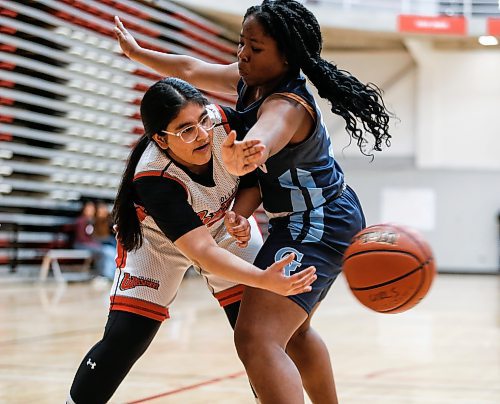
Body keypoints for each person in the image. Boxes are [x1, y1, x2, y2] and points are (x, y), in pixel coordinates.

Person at [114, 1, 393, 402]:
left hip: (316, 223)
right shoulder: (250, 79)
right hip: (310, 217)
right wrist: (139, 54)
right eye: (242, 42)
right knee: (294, 334)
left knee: (256, 338)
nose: (242, 53)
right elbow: (190, 70)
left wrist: (240, 153)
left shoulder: (286, 106)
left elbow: (264, 138)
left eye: (255, 47)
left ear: (286, 55)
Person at [67, 77, 316, 404]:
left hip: (221, 225)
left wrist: (238, 215)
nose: (201, 133)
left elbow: (255, 182)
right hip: (157, 241)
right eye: (186, 130)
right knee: (127, 337)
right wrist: (263, 280)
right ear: (160, 139)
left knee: (261, 337)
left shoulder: (224, 125)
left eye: (202, 119)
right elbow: (202, 252)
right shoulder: (154, 177)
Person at [73, 200, 116, 280]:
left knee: (110, 251)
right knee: (107, 251)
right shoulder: (81, 220)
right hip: (81, 245)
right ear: (84, 209)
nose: (91, 210)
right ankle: (107, 275)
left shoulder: (92, 221)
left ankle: (112, 274)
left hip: (91, 245)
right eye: (88, 208)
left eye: (92, 209)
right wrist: (96, 244)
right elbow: (83, 239)